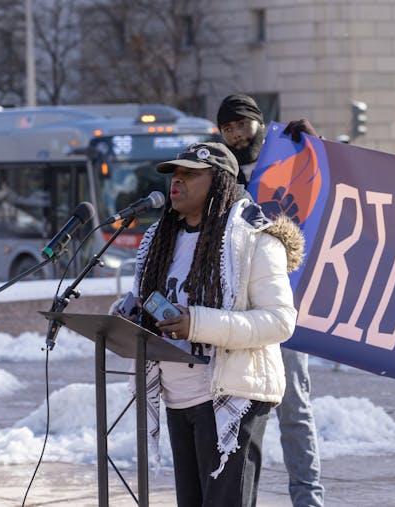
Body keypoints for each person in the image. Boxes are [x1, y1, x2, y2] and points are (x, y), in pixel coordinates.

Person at [128, 141, 304, 506]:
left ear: (221, 182)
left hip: (231, 396)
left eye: (189, 174)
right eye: (174, 175)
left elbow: (280, 321)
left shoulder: (256, 239)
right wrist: (130, 314)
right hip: (179, 398)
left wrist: (197, 323)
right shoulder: (162, 239)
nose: (176, 182)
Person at [217, 94, 325, 507]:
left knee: (295, 410)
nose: (236, 135)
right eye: (227, 129)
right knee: (241, 414)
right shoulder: (221, 172)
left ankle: (308, 499)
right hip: (241, 310)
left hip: (285, 304)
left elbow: (330, 187)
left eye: (241, 125)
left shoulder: (288, 158)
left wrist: (315, 145)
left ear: (259, 123)